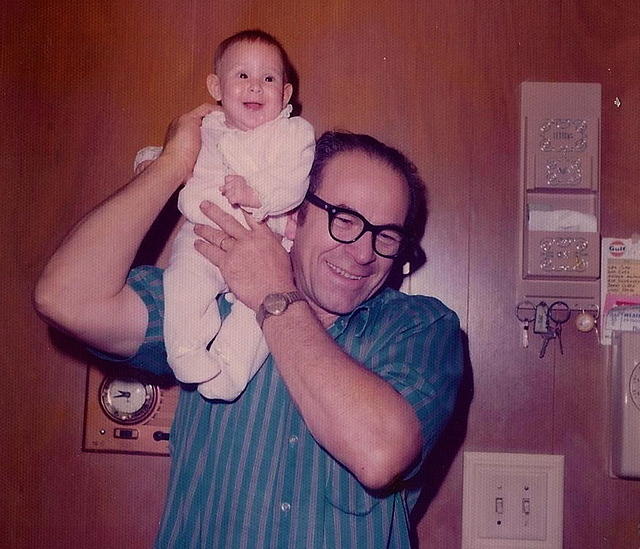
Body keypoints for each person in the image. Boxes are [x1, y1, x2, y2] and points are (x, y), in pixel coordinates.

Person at [34, 104, 463, 548]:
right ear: (295, 212)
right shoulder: (214, 295)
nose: (363, 253)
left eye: (386, 235)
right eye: (345, 220)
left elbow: (379, 454)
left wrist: (274, 296)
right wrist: (172, 168)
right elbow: (65, 298)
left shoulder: (421, 328)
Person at [141, 30, 315, 401]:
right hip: (204, 233)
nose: (255, 87)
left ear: (285, 94)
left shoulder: (292, 134)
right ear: (216, 87)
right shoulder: (205, 130)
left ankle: (231, 370)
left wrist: (258, 194)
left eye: (268, 79)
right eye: (242, 76)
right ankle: (186, 349)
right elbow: (174, 157)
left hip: (265, 238)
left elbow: (294, 179)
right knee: (183, 281)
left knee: (264, 311)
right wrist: (150, 163)